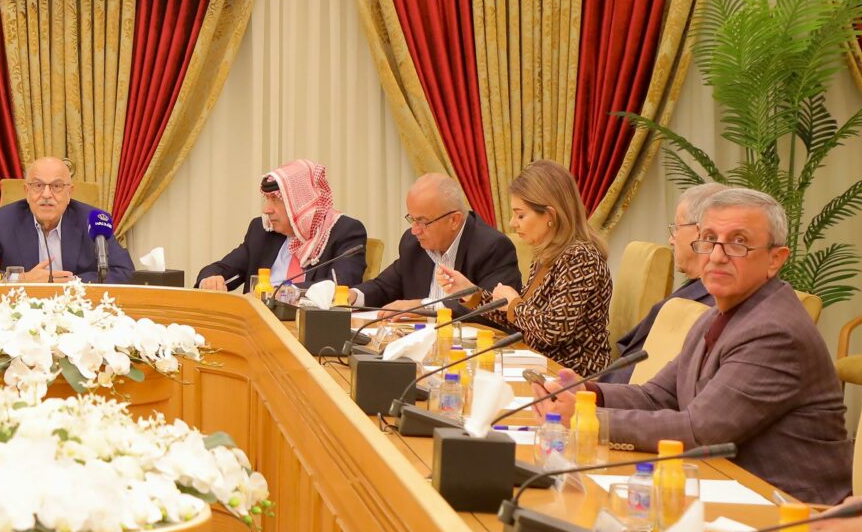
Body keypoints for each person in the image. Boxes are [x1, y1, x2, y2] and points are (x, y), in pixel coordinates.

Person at [534, 187, 852, 505]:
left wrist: (587, 418)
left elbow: (699, 431)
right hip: (727, 488)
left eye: (738, 243)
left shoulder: (774, 331)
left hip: (788, 508)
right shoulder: (717, 313)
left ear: (775, 259)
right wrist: (587, 393)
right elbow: (656, 396)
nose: (716, 256)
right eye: (709, 239)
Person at [443, 160, 612, 376]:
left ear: (550, 215)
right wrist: (472, 294)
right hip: (540, 366)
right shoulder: (547, 254)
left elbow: (553, 330)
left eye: (520, 215)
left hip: (572, 375)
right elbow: (525, 321)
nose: (512, 223)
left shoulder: (580, 257)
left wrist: (514, 303)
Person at [602, 181, 726, 382]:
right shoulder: (698, 287)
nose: (671, 239)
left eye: (676, 228)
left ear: (701, 232)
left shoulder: (713, 302)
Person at [350, 173, 520, 310]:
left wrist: (423, 306)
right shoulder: (413, 243)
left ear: (454, 220)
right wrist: (353, 296)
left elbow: (493, 308)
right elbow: (385, 286)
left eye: (422, 221)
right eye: (412, 219)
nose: (414, 230)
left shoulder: (492, 247)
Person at [0, 157, 135, 284]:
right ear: (27, 191)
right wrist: (21, 279)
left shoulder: (93, 221)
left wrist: (72, 282)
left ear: (69, 193)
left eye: (57, 186)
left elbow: (126, 273)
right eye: (38, 185)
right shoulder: (2, 221)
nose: (46, 194)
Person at [196, 161, 366, 293]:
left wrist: (280, 293)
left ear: (300, 201)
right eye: (267, 199)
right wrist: (210, 279)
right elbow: (222, 268)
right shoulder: (262, 230)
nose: (266, 209)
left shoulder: (344, 231)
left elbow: (340, 285)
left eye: (276, 200)